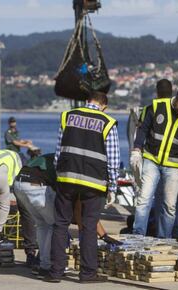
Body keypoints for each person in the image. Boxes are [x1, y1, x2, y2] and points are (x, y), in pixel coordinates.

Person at [44, 91, 120, 283]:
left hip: (66, 178)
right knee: (88, 226)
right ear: (103, 105)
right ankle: (87, 273)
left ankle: (56, 272)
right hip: (93, 182)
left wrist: (59, 174)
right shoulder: (107, 122)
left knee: (60, 224)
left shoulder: (68, 116)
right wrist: (112, 187)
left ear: (87, 101)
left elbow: (58, 151)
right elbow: (113, 159)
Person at [130, 86, 178, 239]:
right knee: (144, 198)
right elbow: (143, 129)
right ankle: (137, 235)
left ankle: (164, 238)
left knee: (170, 205)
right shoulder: (156, 106)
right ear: (176, 98)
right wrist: (137, 149)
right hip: (151, 159)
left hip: (174, 165)